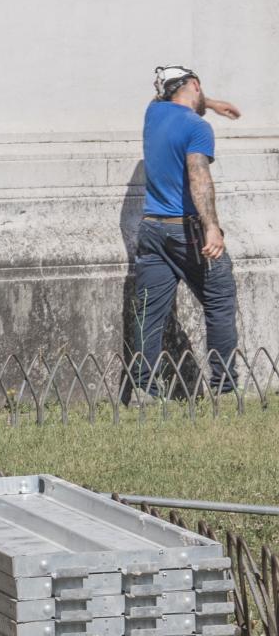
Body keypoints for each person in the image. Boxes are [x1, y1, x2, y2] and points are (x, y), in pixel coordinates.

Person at [130, 64, 243, 398]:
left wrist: (210, 101)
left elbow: (169, 96)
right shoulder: (198, 127)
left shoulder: (153, 114)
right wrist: (212, 228)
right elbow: (199, 178)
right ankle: (225, 388)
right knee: (220, 300)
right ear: (194, 84)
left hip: (152, 229)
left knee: (149, 312)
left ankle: (143, 390)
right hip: (187, 232)